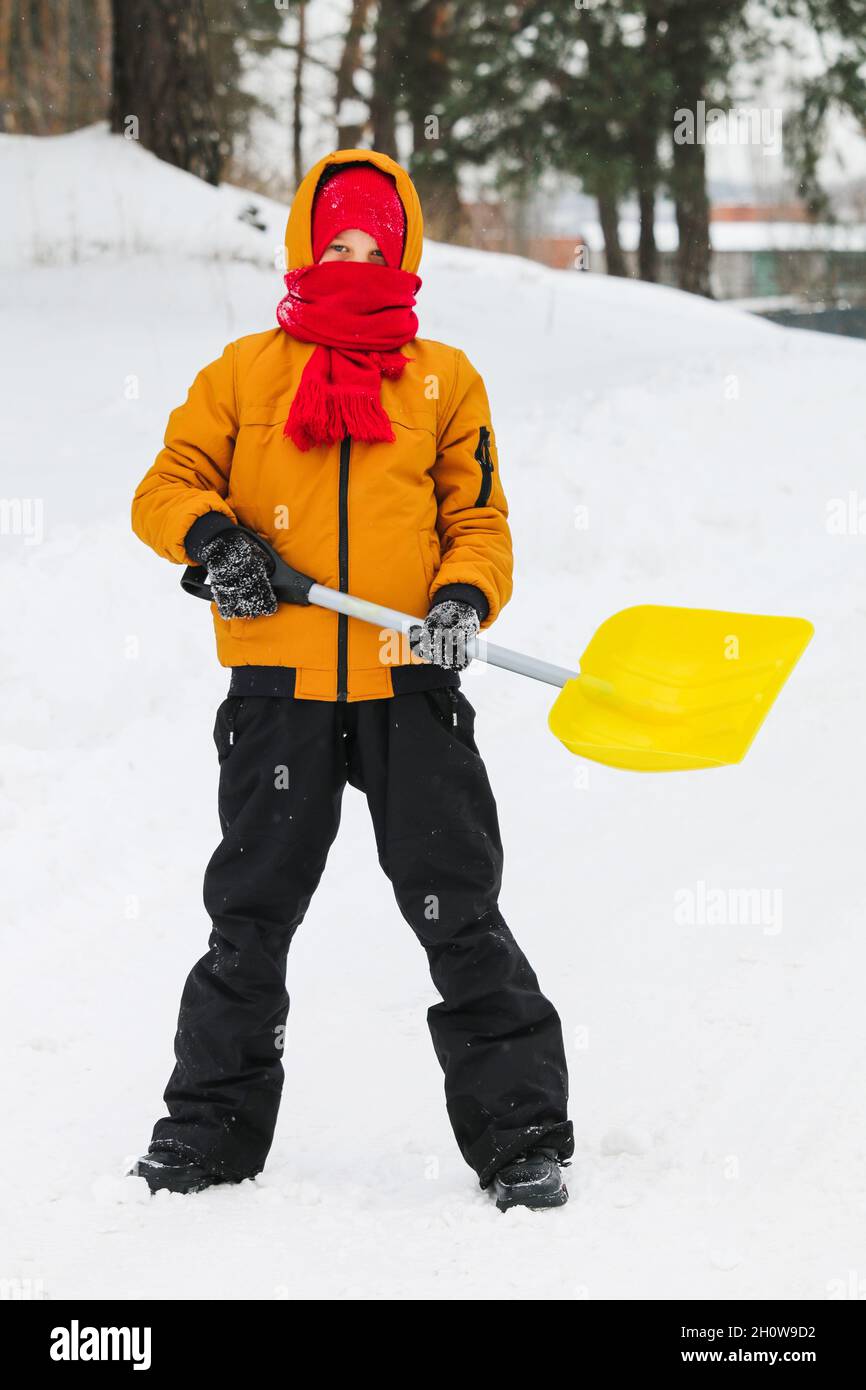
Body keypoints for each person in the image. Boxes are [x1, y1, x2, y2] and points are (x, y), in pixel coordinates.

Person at [129, 149, 573, 1211]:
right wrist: (215, 542)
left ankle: (519, 1136)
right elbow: (166, 483)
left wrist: (461, 599)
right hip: (277, 690)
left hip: (407, 680)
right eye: (337, 244)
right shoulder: (243, 372)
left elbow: (477, 521)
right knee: (250, 915)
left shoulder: (442, 377)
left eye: (376, 247)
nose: (356, 261)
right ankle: (208, 1131)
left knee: (457, 908)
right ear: (305, 245)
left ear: (406, 252)